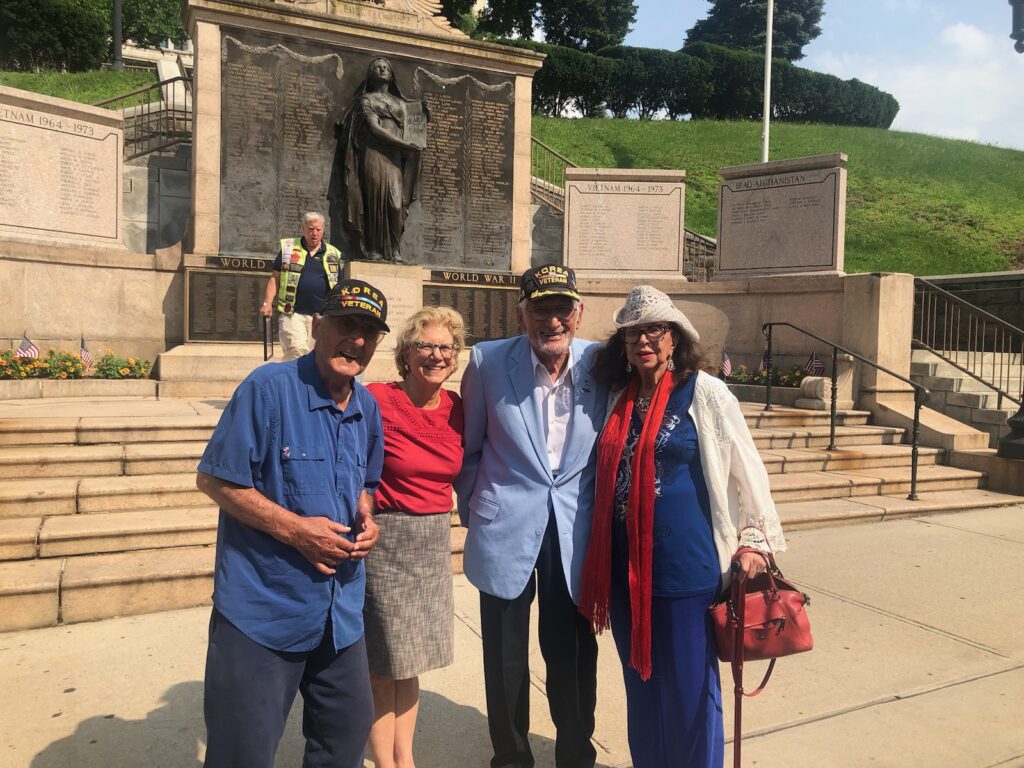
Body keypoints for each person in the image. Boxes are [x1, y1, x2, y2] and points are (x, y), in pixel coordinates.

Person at [578, 285, 787, 768]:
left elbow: (746, 468)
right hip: (626, 571)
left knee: (691, 688)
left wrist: (753, 538)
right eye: (632, 332)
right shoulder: (617, 397)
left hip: (685, 571)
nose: (643, 340)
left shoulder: (706, 392)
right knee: (642, 685)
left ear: (674, 338)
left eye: (654, 329)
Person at [197, 279, 391, 768]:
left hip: (340, 616)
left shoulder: (367, 407)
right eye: (348, 325)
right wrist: (294, 529)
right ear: (318, 325)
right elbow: (216, 481)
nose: (359, 341)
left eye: (370, 331)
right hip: (264, 611)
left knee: (344, 738)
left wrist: (368, 515)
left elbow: (366, 484)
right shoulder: (267, 389)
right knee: (242, 754)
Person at [455, 264, 607, 768]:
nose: (553, 321)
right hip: (504, 526)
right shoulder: (487, 362)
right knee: (505, 659)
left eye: (562, 309)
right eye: (542, 308)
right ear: (523, 312)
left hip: (575, 532)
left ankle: (574, 752)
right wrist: (476, 510)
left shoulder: (603, 364)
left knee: (573, 655)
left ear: (579, 313)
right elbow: (470, 448)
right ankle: (512, 756)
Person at [363, 306, 466, 768]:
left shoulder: (457, 409)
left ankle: (405, 756)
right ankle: (385, 762)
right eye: (426, 345)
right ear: (406, 353)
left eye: (446, 347)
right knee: (383, 666)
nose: (436, 355)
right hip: (386, 539)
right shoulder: (376, 399)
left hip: (430, 541)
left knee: (412, 660)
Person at [331, 57, 426, 263]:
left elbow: (412, 127)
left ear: (391, 75)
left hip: (395, 159)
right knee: (374, 201)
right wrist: (402, 145)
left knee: (395, 204)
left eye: (385, 68)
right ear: (370, 74)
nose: (382, 70)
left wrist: (422, 114)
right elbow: (374, 129)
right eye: (377, 67)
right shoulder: (367, 100)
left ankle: (394, 251)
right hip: (373, 155)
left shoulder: (401, 103)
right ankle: (374, 249)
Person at [260, 211, 344, 360]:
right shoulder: (289, 248)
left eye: (318, 230)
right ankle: (292, 383)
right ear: (303, 229)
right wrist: (267, 303)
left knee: (316, 357)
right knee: (296, 350)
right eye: (311, 229)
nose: (314, 233)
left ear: (323, 230)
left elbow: (339, 287)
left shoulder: (333, 254)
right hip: (292, 312)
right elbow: (275, 278)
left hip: (321, 317)